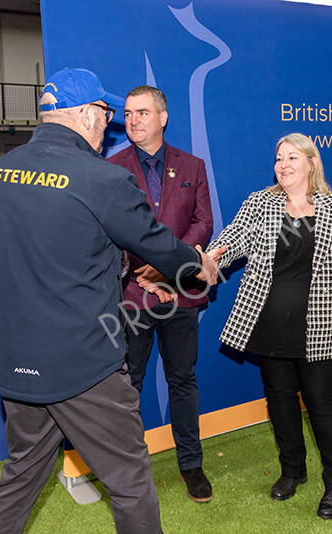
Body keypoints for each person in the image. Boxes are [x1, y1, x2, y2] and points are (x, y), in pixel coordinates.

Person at [0, 68, 221, 534]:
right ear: (85, 115)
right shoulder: (102, 179)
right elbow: (160, 247)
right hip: (84, 363)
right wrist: (198, 266)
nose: (110, 125)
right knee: (129, 481)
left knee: (20, 477)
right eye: (106, 114)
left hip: (18, 362)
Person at [207, 133, 332, 520]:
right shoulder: (260, 203)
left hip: (323, 329)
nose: (283, 164)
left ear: (311, 163)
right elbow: (233, 240)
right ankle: (292, 471)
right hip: (269, 325)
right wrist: (214, 256)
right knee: (280, 401)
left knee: (323, 405)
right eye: (279, 158)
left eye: (292, 157)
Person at [107, 85, 214, 503]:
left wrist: (169, 270)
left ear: (163, 117)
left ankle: (192, 465)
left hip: (181, 294)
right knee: (128, 384)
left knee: (182, 381)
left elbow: (203, 224)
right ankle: (128, 472)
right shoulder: (112, 169)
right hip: (133, 296)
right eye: (129, 113)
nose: (133, 120)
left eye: (143, 112)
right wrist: (145, 273)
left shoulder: (193, 165)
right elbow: (112, 230)